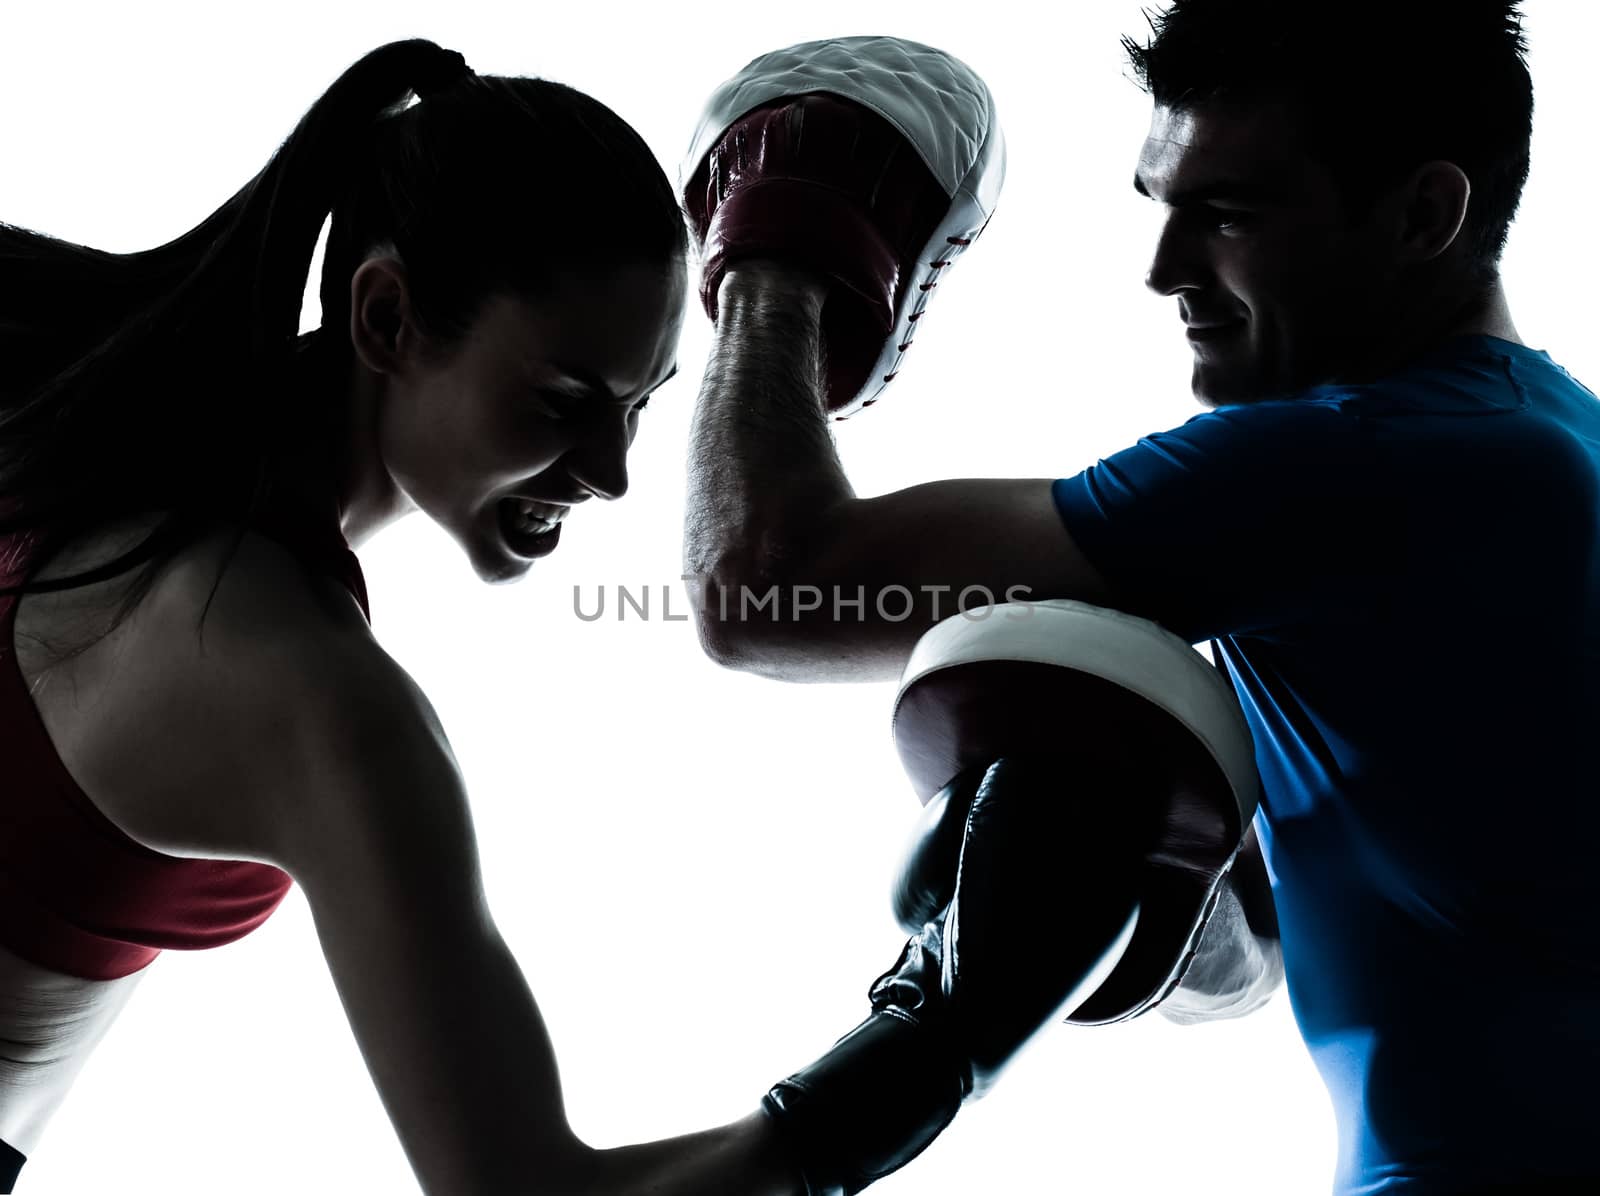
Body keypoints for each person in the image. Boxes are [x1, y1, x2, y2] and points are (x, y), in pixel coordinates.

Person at [0, 37, 1143, 1196]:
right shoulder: (310, 695)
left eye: (642, 406)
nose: (611, 474)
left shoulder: (69, 404)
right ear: (386, 316)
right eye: (562, 402)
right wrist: (935, 1039)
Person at [680, 6, 1600, 1194]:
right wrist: (1130, 883)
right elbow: (1263, 958)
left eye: (1225, 214)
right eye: (1158, 204)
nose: (1163, 268)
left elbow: (764, 582)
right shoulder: (1541, 441)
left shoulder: (1375, 464)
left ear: (1423, 214)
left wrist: (776, 260)